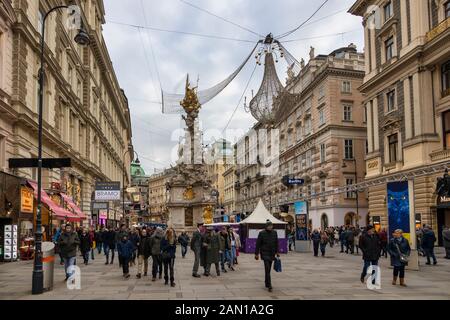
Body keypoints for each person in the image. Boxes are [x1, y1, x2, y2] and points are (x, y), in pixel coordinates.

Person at [255, 220, 279, 292]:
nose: (270, 227)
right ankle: (270, 285)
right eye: (269, 226)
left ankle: (266, 282)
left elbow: (276, 242)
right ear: (266, 227)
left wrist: (277, 252)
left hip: (272, 253)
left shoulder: (275, 233)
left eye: (271, 226)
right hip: (264, 253)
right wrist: (256, 254)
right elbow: (258, 244)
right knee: (267, 268)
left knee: (268, 269)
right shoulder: (261, 233)